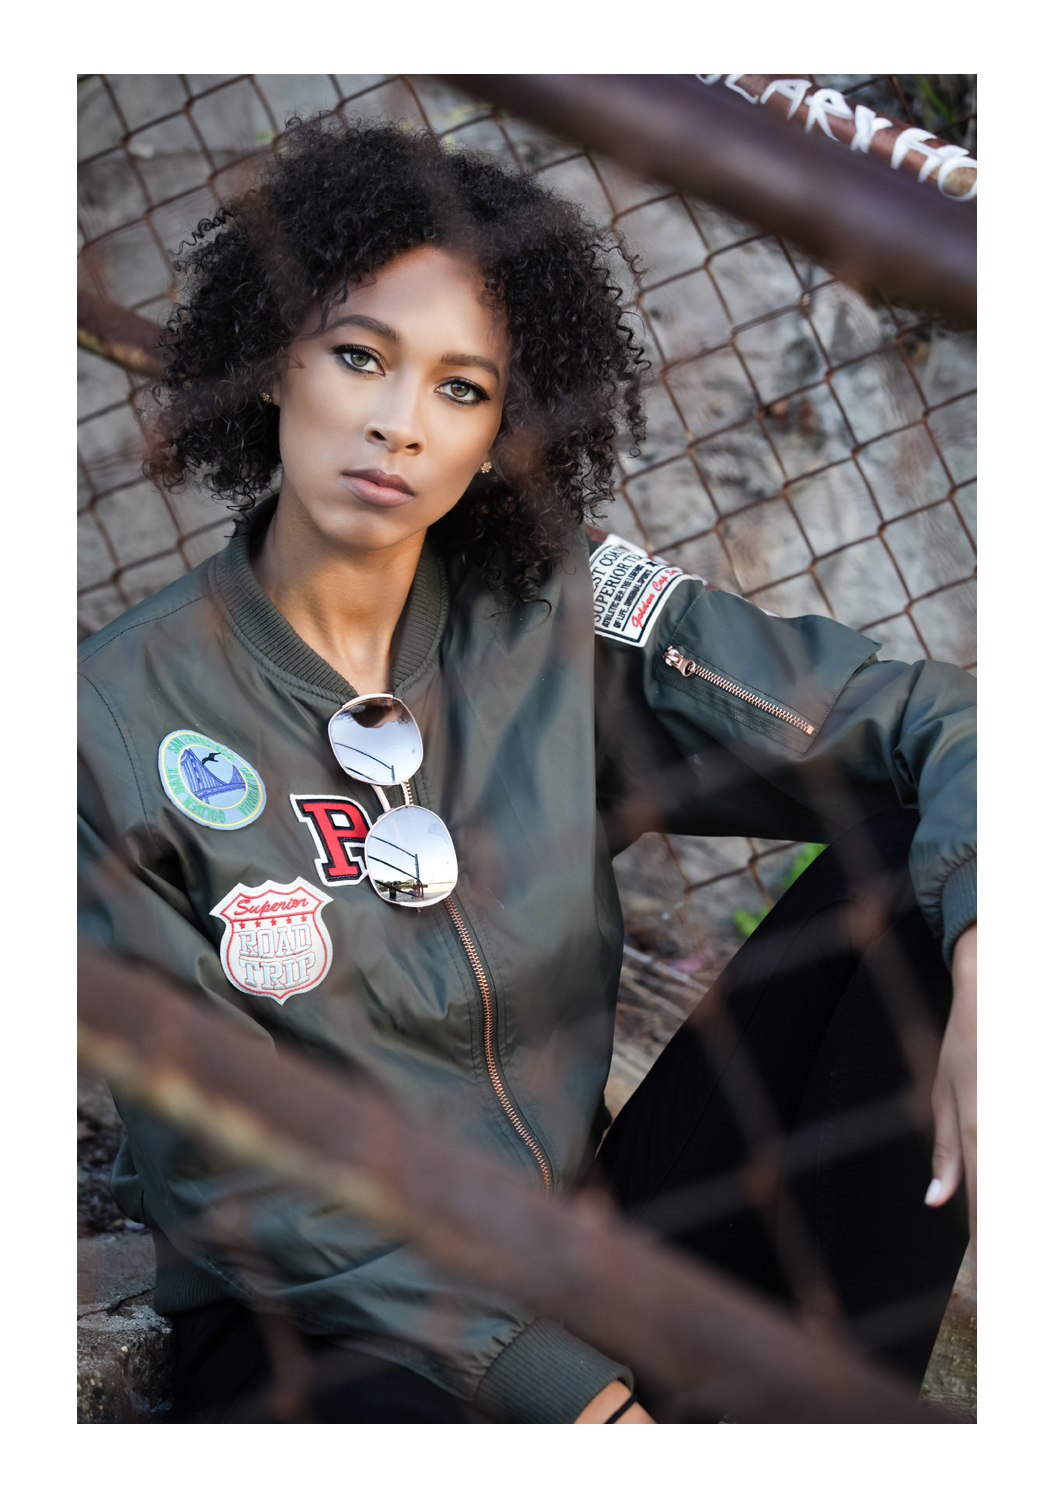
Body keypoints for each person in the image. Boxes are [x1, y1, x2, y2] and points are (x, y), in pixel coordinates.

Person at [77, 116, 976, 1424]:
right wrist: (567, 1394)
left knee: (921, 866)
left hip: (592, 1247)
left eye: (460, 387)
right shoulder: (105, 720)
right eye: (358, 356)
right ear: (274, 361)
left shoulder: (549, 612)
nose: (397, 424)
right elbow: (239, 1183)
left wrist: (996, 944)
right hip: (332, 1325)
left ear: (503, 429)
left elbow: (922, 720)